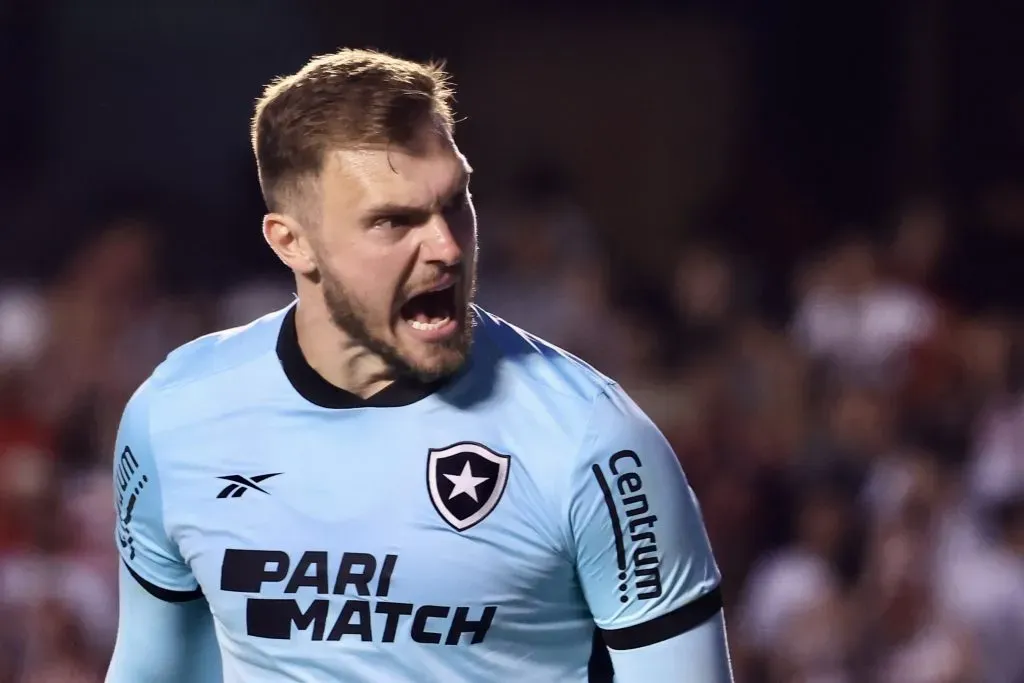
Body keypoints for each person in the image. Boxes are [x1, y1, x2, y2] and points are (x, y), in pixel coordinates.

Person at [103, 48, 733, 683]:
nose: (448, 247)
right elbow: (154, 668)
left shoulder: (593, 439)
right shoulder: (175, 417)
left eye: (455, 202)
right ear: (291, 242)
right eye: (394, 221)